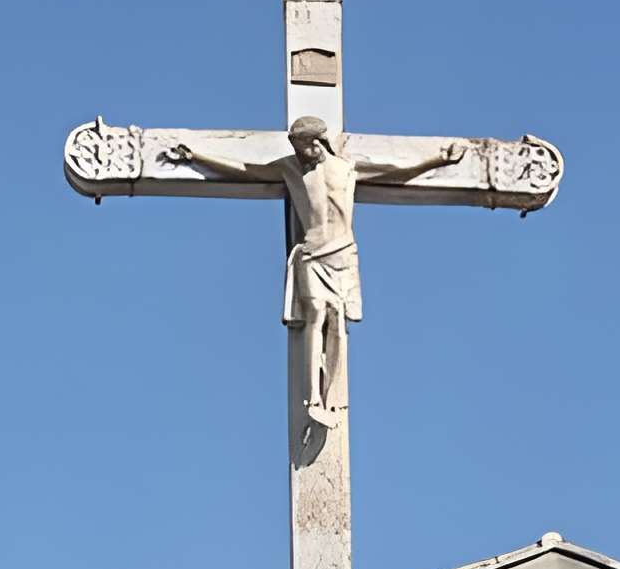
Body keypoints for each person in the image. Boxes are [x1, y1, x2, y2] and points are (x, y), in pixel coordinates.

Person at [162, 115, 469, 435]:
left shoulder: (349, 168)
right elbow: (245, 170)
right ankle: (313, 398)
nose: (299, 154)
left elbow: (397, 172)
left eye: (302, 147)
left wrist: (438, 159)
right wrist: (197, 157)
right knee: (317, 314)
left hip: (342, 253)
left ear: (318, 142)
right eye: (295, 148)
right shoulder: (289, 168)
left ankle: (333, 395)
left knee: (337, 319)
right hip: (311, 253)